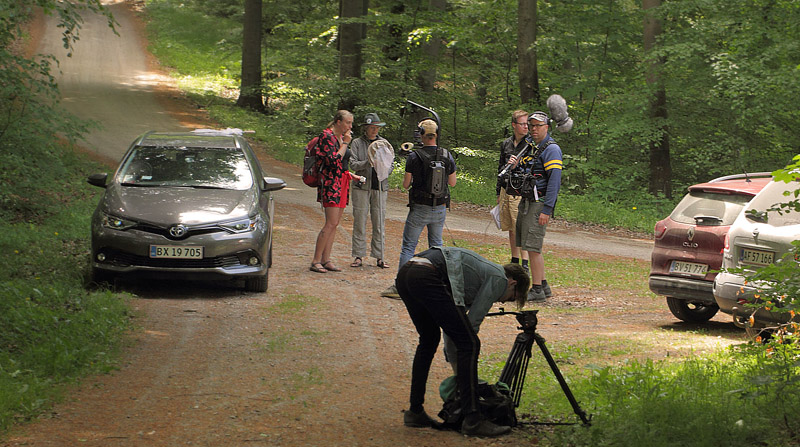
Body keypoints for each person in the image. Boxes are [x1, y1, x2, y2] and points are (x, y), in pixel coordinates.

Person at [396, 246, 530, 437]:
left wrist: (460, 370)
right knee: (471, 343)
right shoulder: (499, 278)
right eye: (510, 299)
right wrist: (463, 372)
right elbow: (471, 324)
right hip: (426, 275)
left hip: (408, 273)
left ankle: (415, 412)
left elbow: (455, 328)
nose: (502, 302)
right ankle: (473, 420)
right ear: (512, 283)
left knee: (429, 340)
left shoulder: (476, 278)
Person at [381, 119, 456, 298]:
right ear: (436, 134)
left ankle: (401, 287)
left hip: (419, 209)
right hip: (439, 208)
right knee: (437, 247)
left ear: (422, 134)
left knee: (408, 246)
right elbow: (452, 183)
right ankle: (437, 285)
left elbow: (406, 185)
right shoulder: (447, 155)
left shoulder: (415, 156)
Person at [508, 111, 563, 301]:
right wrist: (515, 167)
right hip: (527, 199)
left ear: (546, 127)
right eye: (531, 126)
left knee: (533, 248)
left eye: (538, 126)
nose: (533, 129)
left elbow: (554, 182)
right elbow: (528, 171)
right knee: (527, 244)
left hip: (539, 203)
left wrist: (547, 209)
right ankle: (544, 285)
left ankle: (537, 289)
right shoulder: (532, 147)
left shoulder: (551, 149)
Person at [310, 110, 362, 273]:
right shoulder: (327, 136)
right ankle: (316, 260)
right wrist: (345, 143)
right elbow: (332, 160)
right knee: (330, 223)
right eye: (347, 122)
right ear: (338, 122)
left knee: (335, 224)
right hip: (330, 183)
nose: (350, 126)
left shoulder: (339, 137)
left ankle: (326, 260)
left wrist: (350, 174)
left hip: (342, 181)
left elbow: (342, 163)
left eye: (351, 123)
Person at [348, 113, 394, 269]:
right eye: (371, 127)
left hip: (380, 187)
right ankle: (358, 256)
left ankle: (379, 257)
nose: (374, 130)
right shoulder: (356, 143)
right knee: (360, 220)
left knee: (379, 221)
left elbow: (391, 165)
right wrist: (368, 162)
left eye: (377, 127)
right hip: (361, 186)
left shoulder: (384, 143)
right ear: (365, 128)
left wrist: (384, 169)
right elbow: (353, 164)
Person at [496, 110, 531, 271]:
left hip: (520, 191)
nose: (526, 127)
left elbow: (532, 169)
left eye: (527, 124)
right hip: (506, 189)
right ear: (514, 125)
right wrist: (498, 192)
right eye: (523, 124)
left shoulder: (530, 145)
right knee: (510, 226)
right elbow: (500, 167)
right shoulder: (506, 144)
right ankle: (514, 259)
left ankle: (525, 263)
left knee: (520, 227)